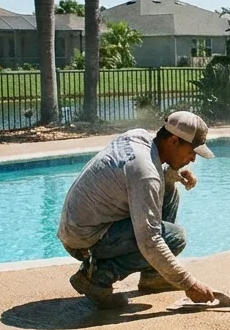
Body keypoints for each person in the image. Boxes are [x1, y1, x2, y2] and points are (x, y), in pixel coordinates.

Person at [58, 111, 218, 309]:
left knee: (169, 192)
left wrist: (169, 175)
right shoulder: (145, 172)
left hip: (81, 226)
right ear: (174, 141)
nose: (193, 159)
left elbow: (137, 177)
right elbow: (150, 240)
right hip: (85, 240)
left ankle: (153, 276)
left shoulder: (139, 137)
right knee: (176, 238)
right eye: (192, 151)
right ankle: (97, 277)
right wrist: (189, 284)